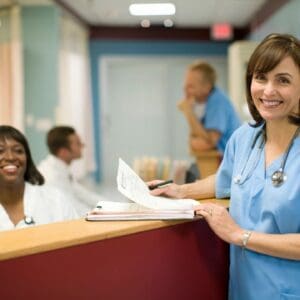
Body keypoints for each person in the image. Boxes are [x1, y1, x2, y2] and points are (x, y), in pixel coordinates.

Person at [150, 33, 300, 299]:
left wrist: (239, 234)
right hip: (243, 289)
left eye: (283, 80)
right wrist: (181, 191)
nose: (268, 90)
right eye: (261, 77)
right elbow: (228, 180)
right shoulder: (245, 137)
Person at [0, 125, 78, 231]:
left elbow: (76, 240)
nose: (10, 157)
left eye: (18, 151)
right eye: (0, 151)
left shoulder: (55, 200)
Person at [178, 61, 240, 181]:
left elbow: (208, 142)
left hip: (230, 162)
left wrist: (188, 112)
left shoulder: (217, 102)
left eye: (190, 86)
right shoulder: (205, 103)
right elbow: (195, 139)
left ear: (206, 87)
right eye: (185, 86)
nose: (185, 90)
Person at [38, 126, 107, 216]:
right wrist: (103, 214)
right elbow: (73, 209)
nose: (83, 145)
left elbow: (83, 194)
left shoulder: (61, 168)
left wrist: (112, 206)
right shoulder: (51, 176)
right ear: (63, 152)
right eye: (78, 143)